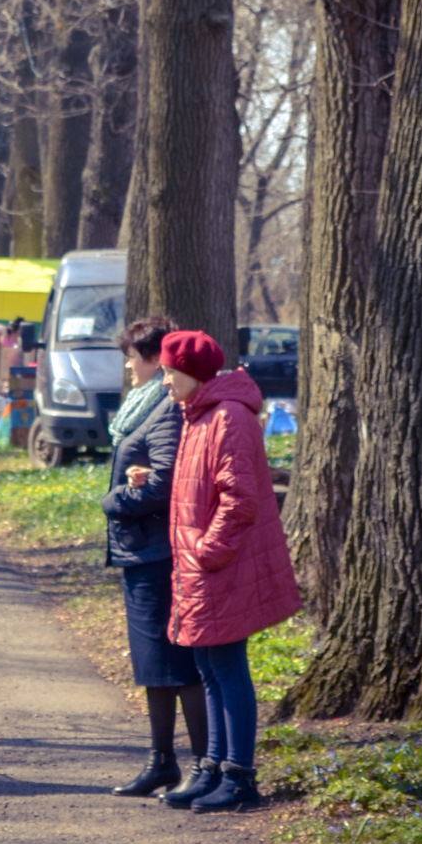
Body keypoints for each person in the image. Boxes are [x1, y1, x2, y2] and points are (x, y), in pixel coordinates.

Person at [161, 328, 301, 813]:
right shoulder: (199, 412)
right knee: (208, 667)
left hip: (221, 565)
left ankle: (240, 775)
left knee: (227, 667)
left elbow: (239, 500)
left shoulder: (228, 416)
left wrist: (206, 549)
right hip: (201, 567)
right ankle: (214, 766)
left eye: (169, 372)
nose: (165, 382)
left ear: (192, 372)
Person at [101, 316, 208, 799]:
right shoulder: (142, 406)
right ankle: (161, 761)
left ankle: (202, 763)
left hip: (157, 552)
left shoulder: (162, 410)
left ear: (152, 358)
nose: (129, 366)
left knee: (174, 664)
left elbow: (164, 482)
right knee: (152, 666)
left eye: (132, 357)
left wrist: (114, 501)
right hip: (141, 551)